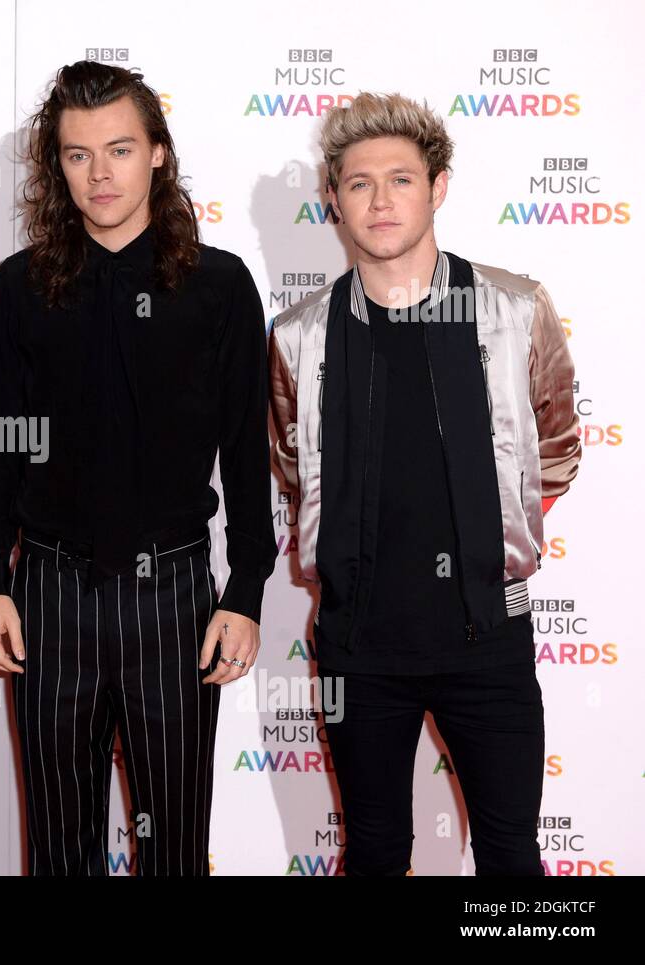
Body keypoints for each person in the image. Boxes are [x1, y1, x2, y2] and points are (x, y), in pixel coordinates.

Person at [0, 61, 277, 875]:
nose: (99, 173)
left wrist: (245, 591)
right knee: (58, 849)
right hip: (48, 593)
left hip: (174, 600)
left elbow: (249, 451)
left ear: (159, 155)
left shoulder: (219, 287)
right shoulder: (22, 286)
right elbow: (1, 438)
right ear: (56, 166)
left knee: (173, 849)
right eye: (77, 155)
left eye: (119, 149)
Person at [267, 92, 580, 875]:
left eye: (401, 179)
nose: (381, 200)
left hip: (489, 639)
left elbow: (558, 445)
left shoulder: (514, 308)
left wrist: (490, 529)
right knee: (373, 852)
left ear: (437, 187)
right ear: (334, 199)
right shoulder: (299, 335)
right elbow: (292, 461)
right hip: (355, 644)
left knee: (511, 855)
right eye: (360, 182)